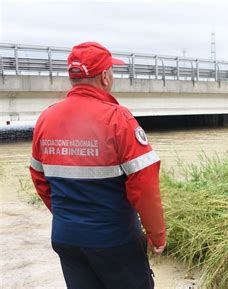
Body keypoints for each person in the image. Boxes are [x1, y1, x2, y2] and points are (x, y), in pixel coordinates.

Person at [29, 42, 166, 289]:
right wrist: (157, 234)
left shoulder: (46, 118)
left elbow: (39, 178)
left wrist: (68, 217)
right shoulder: (118, 119)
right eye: (111, 71)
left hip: (66, 238)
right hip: (115, 240)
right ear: (104, 76)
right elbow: (144, 183)